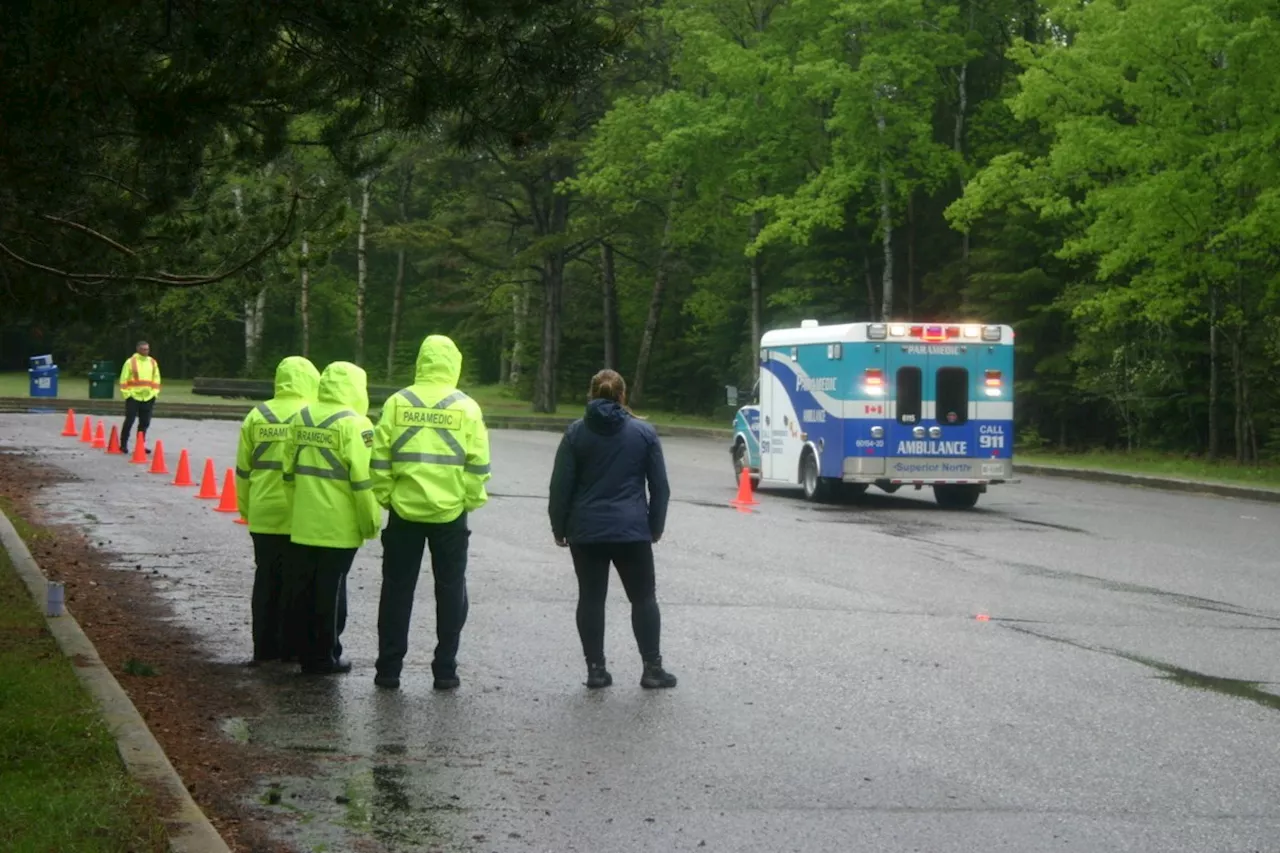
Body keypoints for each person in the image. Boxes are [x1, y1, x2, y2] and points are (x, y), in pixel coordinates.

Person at [370, 335, 491, 691]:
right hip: (450, 514)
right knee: (451, 590)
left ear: (421, 362)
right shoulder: (466, 407)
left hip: (404, 511)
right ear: (454, 364)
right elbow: (478, 463)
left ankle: (388, 670)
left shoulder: (397, 402)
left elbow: (379, 457)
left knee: (396, 591)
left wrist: (387, 496)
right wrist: (467, 500)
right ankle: (445, 669)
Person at [548, 369, 677, 690]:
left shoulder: (576, 433)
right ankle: (652, 668)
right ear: (623, 396)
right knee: (643, 598)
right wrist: (655, 526)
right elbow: (660, 487)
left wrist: (559, 526)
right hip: (632, 531)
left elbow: (560, 487)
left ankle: (596, 669)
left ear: (590, 395)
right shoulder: (644, 433)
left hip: (586, 530)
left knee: (591, 599)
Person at [282, 361, 381, 675]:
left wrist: (296, 510)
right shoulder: (357, 425)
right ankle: (325, 655)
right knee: (331, 591)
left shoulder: (301, 417)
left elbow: (288, 473)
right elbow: (364, 483)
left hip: (303, 521)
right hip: (338, 525)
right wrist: (370, 523)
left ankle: (304, 651)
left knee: (305, 588)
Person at [235, 356, 320, 665]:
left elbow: (243, 470)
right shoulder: (311, 416)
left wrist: (247, 509)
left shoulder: (257, 415)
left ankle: (263, 648)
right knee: (298, 584)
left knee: (266, 580)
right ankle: (291, 648)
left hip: (263, 510)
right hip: (299, 512)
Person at [118, 340, 161, 454]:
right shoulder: (130, 362)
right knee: (129, 420)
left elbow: (156, 379)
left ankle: (140, 445)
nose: (146, 351)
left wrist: (154, 393)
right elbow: (123, 380)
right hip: (133, 396)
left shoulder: (152, 362)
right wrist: (127, 395)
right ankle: (123, 444)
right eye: (144, 349)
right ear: (138, 349)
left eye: (147, 349)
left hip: (148, 397)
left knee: (145, 422)